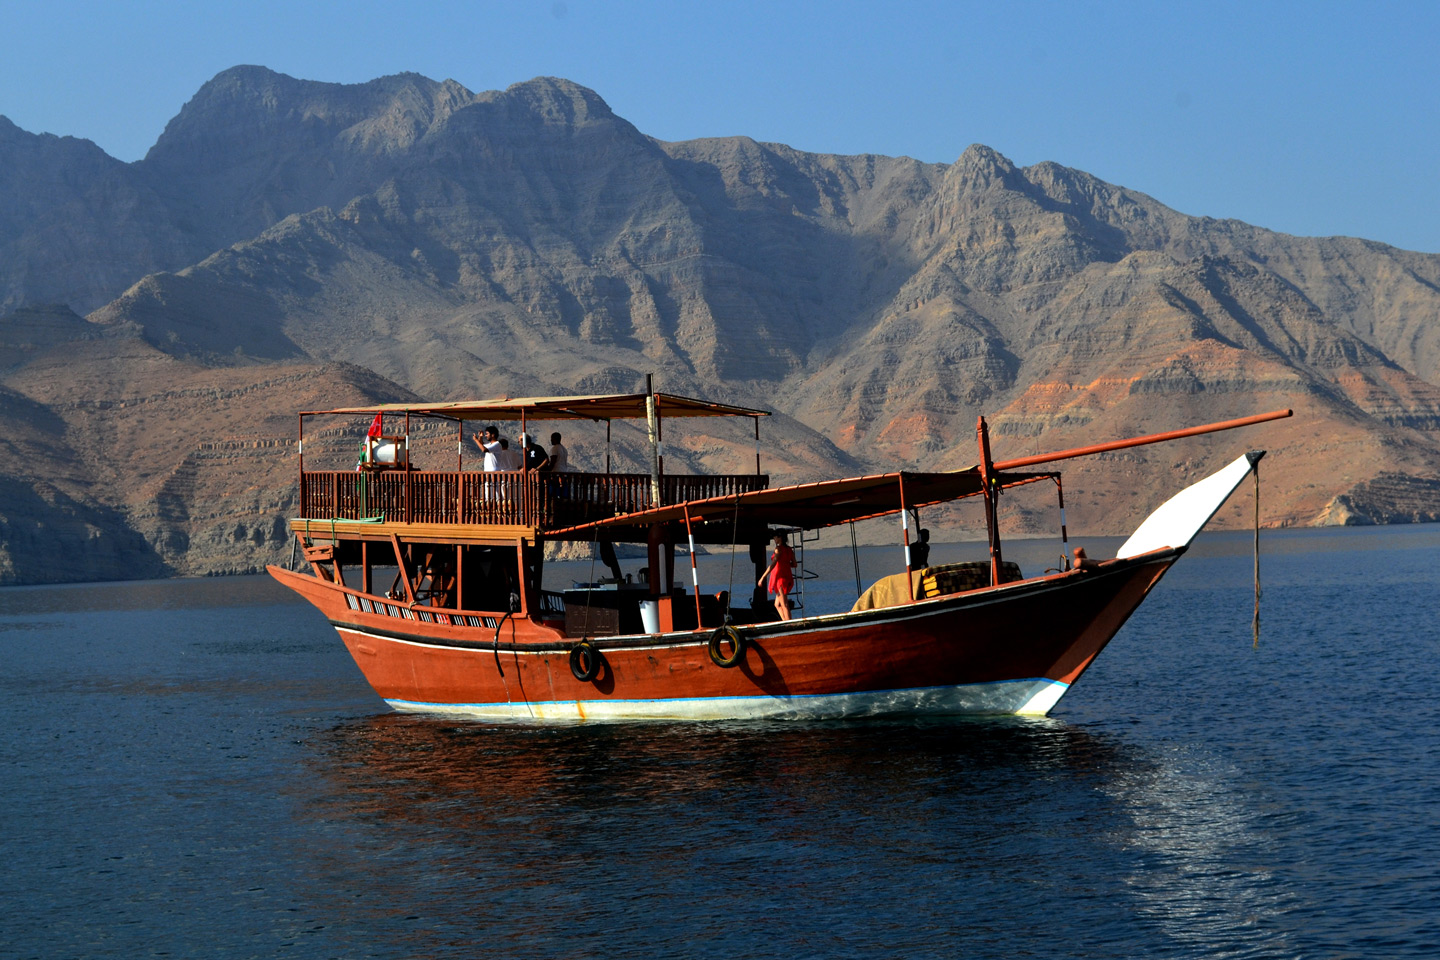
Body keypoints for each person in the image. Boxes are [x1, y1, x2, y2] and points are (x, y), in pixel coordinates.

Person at [758, 531, 796, 621]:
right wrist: (785, 564)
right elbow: (794, 564)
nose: (774, 539)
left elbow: (773, 564)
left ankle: (789, 623)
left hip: (780, 578)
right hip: (787, 576)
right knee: (777, 604)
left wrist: (762, 577)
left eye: (775, 537)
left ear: (780, 538)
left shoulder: (778, 549)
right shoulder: (789, 549)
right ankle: (785, 621)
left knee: (784, 604)